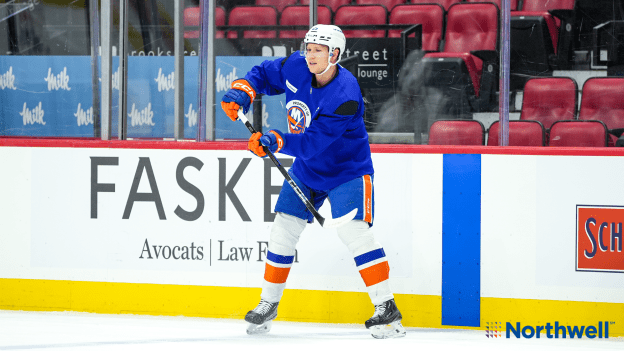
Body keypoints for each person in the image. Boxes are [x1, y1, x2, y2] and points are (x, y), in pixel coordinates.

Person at [220, 24, 406, 339]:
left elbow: (311, 144)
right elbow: (265, 73)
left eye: (317, 50)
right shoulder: (296, 65)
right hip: (308, 171)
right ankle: (268, 305)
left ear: (334, 54)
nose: (310, 55)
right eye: (308, 48)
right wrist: (244, 90)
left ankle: (387, 309)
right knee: (283, 230)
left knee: (355, 233)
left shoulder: (345, 94)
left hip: (347, 170)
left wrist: (275, 141)